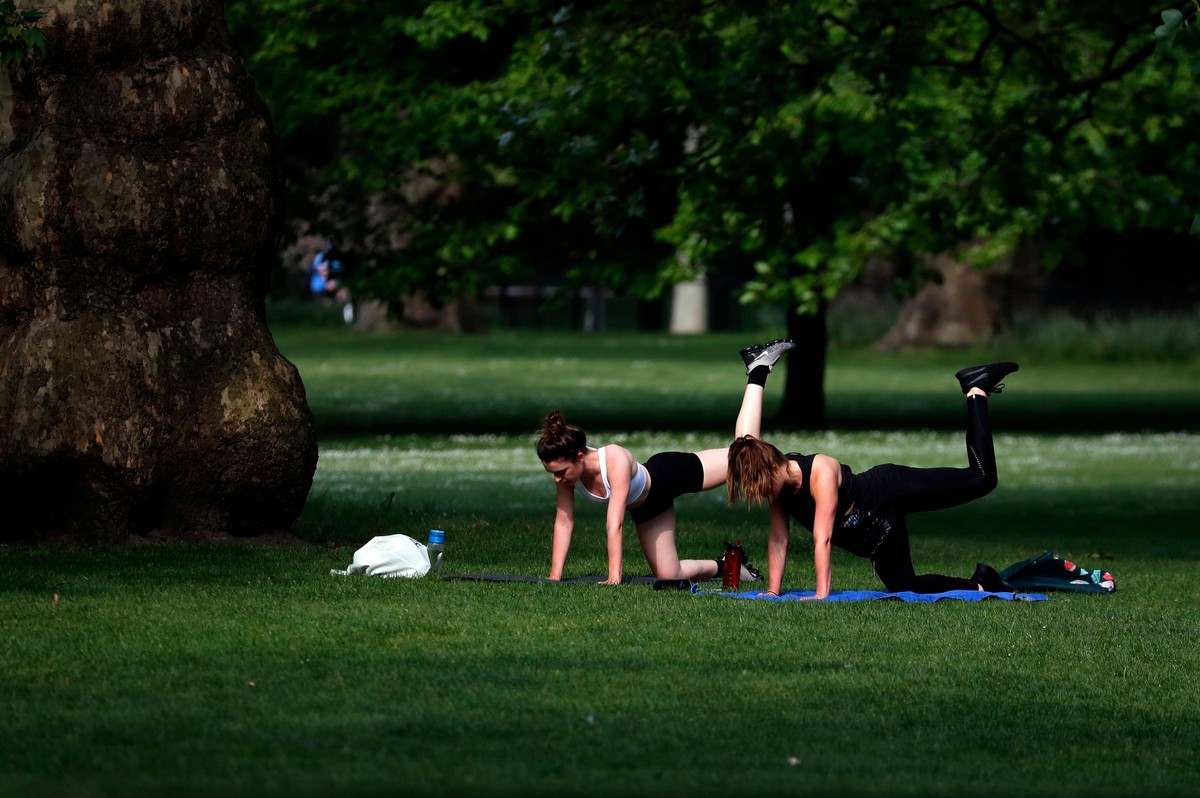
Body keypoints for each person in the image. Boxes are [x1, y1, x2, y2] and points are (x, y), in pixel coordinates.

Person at [727, 361, 1021, 599]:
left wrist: (821, 594)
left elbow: (823, 538)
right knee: (906, 588)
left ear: (772, 466)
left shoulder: (820, 472)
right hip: (879, 534)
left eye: (763, 487)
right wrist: (772, 591)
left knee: (981, 479)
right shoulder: (778, 490)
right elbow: (779, 539)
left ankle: (976, 389)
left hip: (892, 490)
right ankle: (982, 584)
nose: (764, 495)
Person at [536, 339, 796, 584]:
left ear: (579, 456)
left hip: (668, 475)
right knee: (669, 576)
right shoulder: (566, 473)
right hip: (647, 509)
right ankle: (731, 565)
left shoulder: (613, 460)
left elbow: (614, 523)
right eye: (553, 474)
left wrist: (614, 577)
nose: (558, 479)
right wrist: (554, 576)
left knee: (746, 454)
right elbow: (564, 521)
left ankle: (758, 368)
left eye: (560, 472)